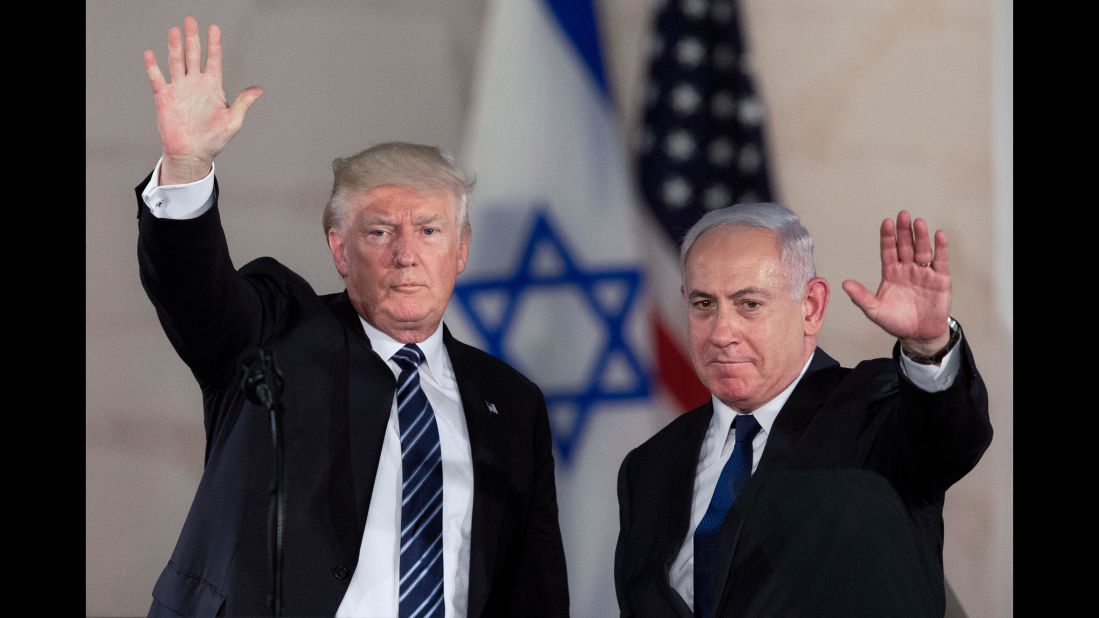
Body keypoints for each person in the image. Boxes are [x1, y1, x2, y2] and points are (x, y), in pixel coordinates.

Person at [137, 16, 568, 617]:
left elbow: (534, 590)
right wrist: (185, 167)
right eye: (380, 230)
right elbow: (194, 294)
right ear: (340, 248)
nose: (406, 254)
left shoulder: (511, 403)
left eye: (430, 230)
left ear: (462, 249)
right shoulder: (275, 335)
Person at [614, 203, 992, 616]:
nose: (722, 333)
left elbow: (947, 440)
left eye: (749, 304)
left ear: (810, 306)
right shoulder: (648, 466)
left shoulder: (872, 412)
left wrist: (927, 348)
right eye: (704, 305)